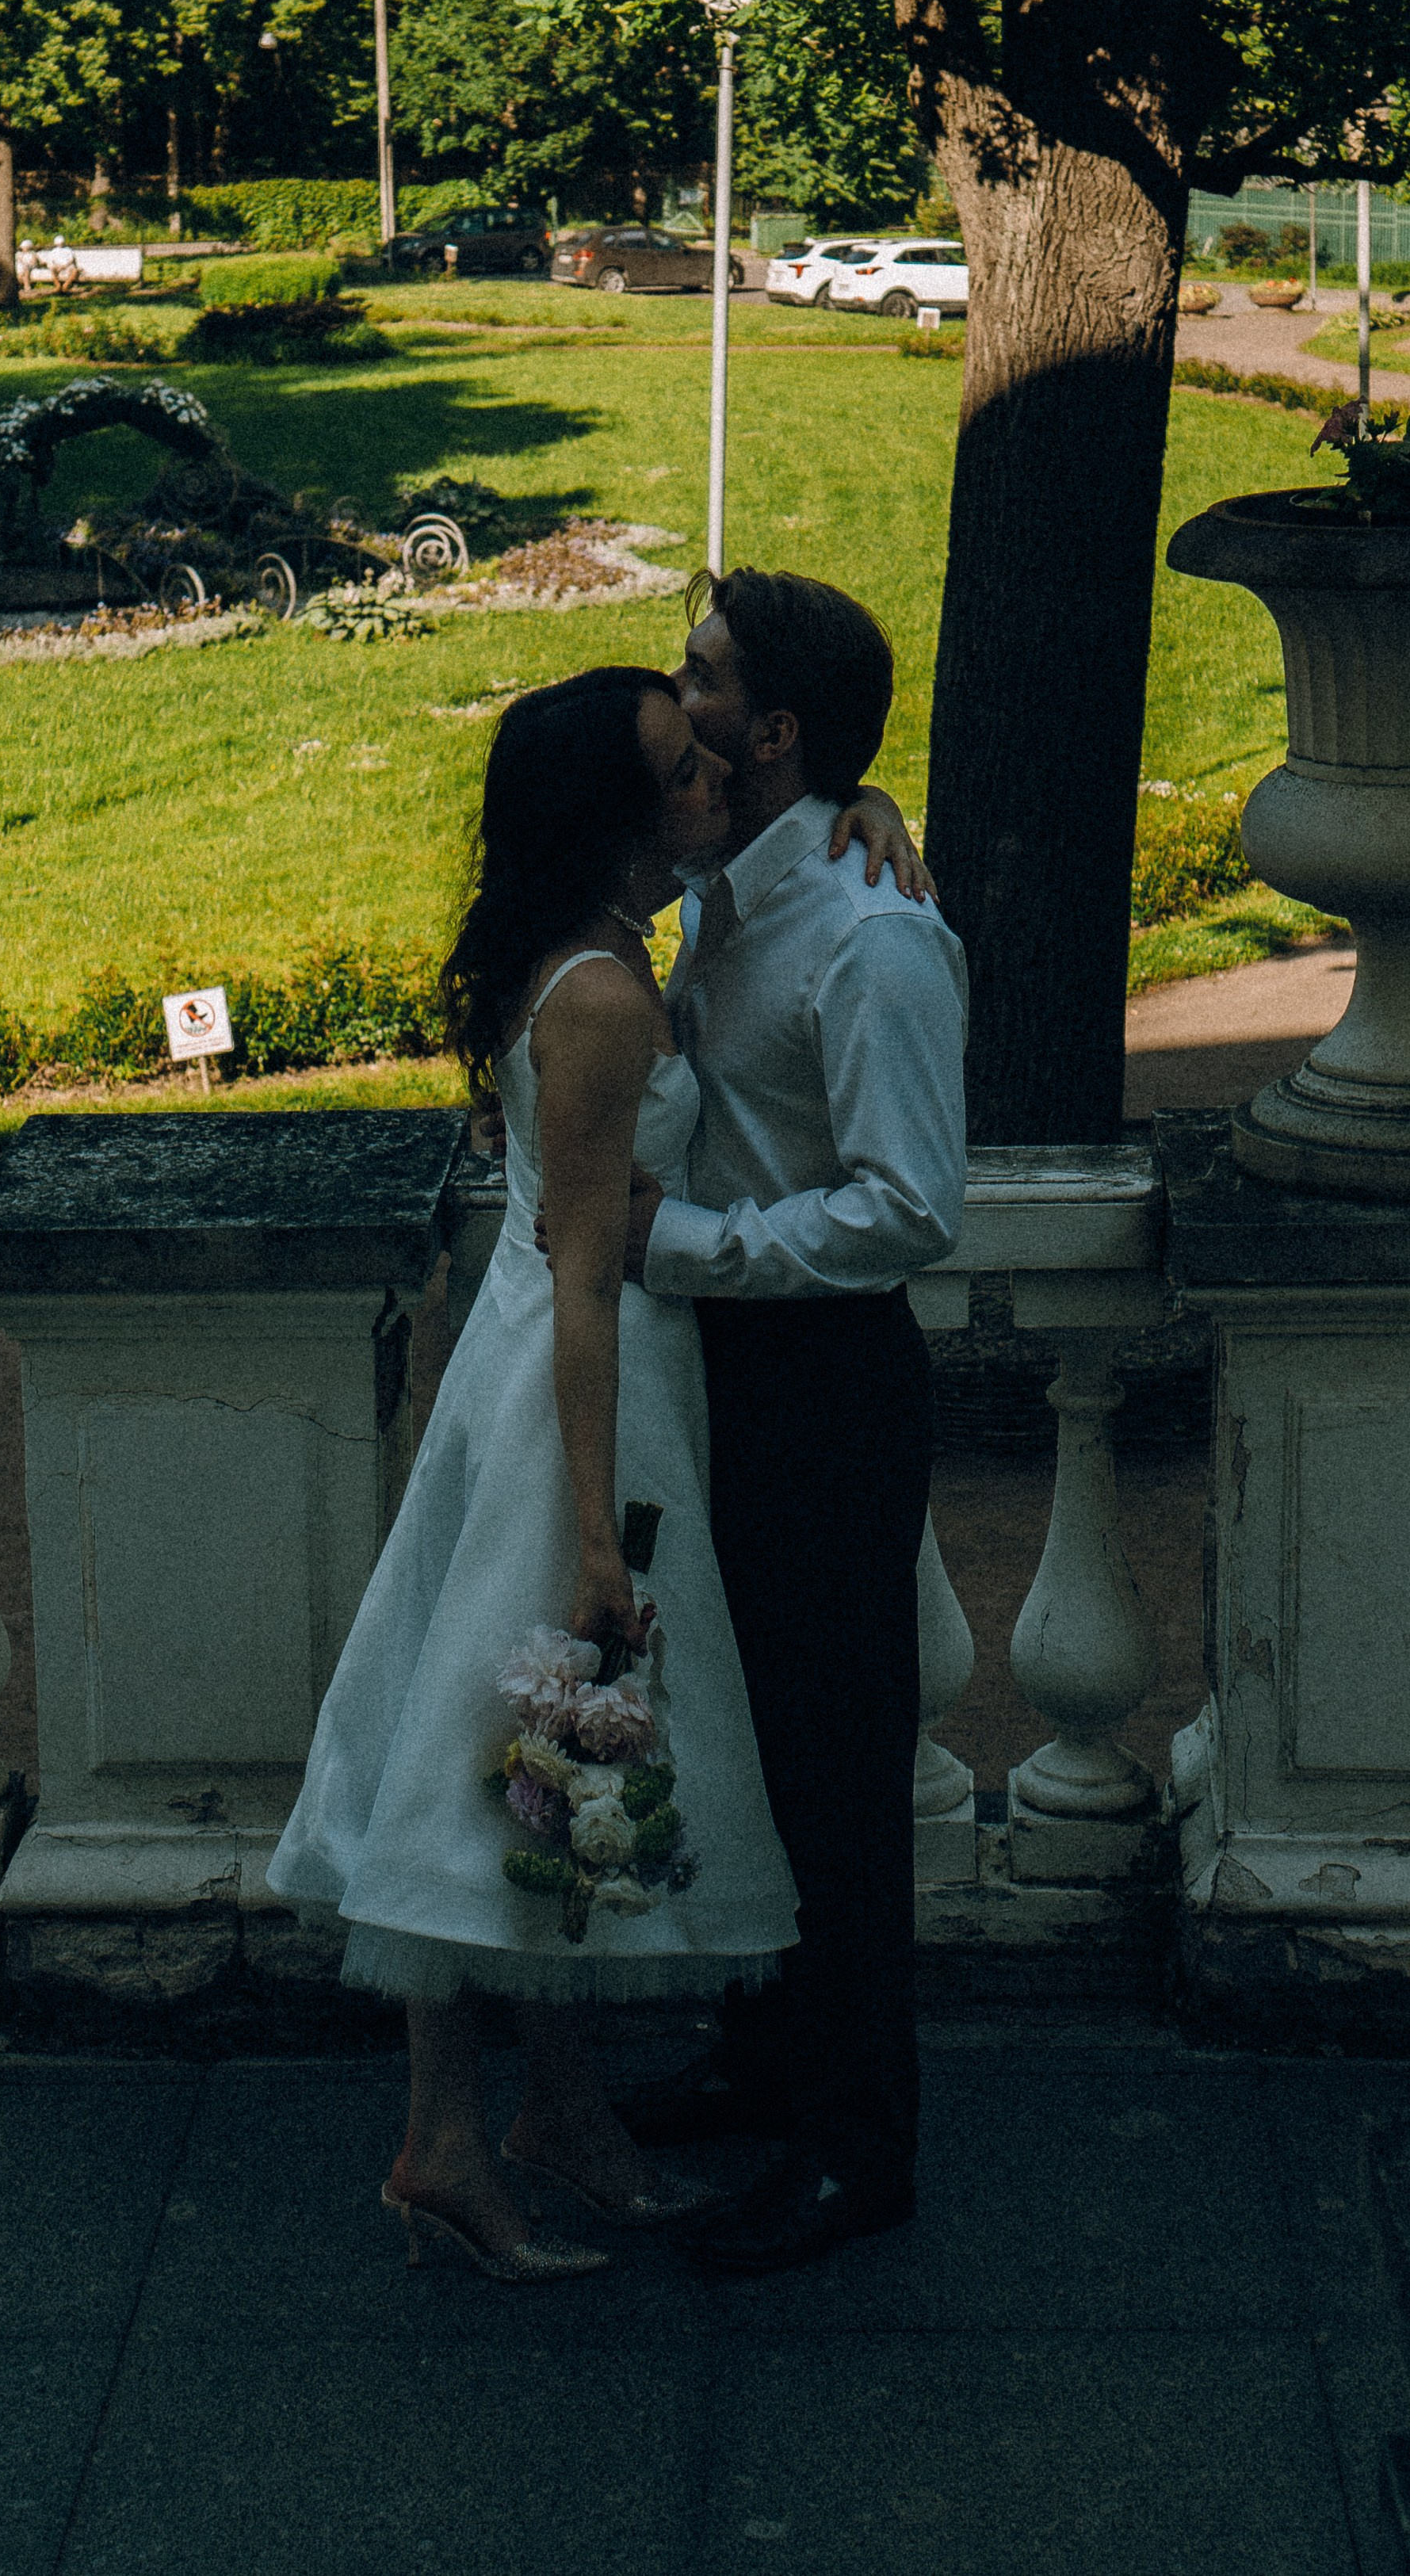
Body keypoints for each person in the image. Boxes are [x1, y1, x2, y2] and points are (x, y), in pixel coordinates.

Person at [266, 665, 801, 2284]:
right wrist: (593, 1533)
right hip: (579, 1402)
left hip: (555, 1380)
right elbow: (582, 1275)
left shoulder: (604, 949)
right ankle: (441, 2142)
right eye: (682, 771)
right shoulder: (601, 1000)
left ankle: (558, 2112)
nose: (714, 778)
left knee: (535, 1753)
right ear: (613, 819)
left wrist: (866, 811)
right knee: (493, 1751)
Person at [614, 567, 970, 2276]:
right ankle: (762, 2059)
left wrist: (681, 1247)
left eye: (700, 675)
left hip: (821, 1388)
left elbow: (910, 1207)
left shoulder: (872, 934)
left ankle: (856, 2145)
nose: (670, 692)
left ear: (771, 732)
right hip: (721, 1376)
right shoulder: (731, 888)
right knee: (741, 1746)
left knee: (833, 1775)